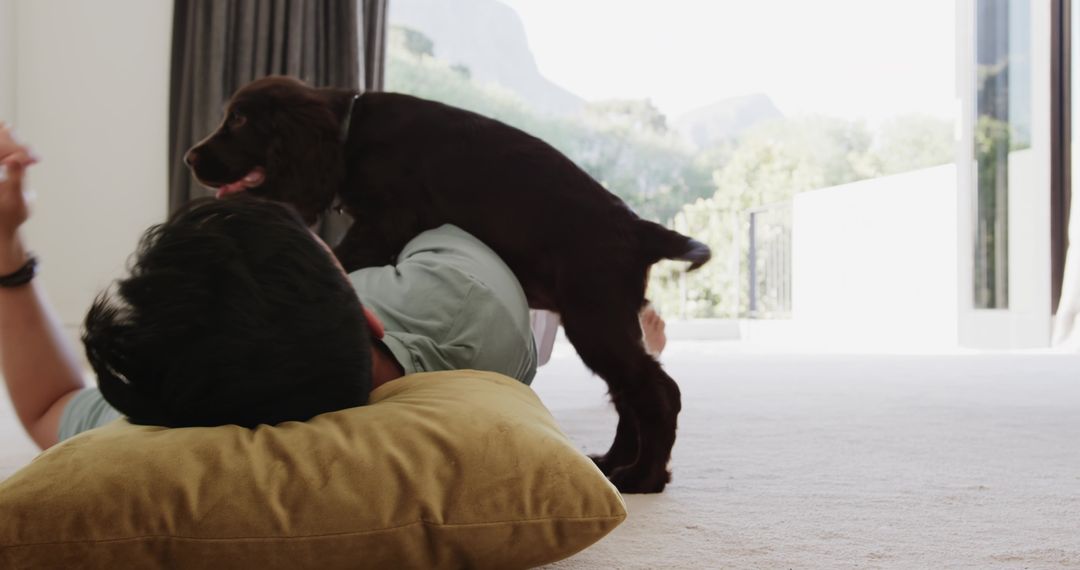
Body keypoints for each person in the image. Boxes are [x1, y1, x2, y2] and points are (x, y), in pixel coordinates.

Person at [0, 124, 537, 449]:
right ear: (369, 315)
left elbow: (48, 406)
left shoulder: (179, 399)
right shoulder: (472, 297)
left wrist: (5, 240)